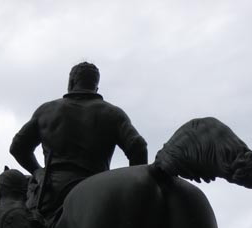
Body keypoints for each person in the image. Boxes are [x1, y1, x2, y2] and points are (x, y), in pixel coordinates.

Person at [10, 61, 148, 217]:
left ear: (71, 82)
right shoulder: (113, 113)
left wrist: (37, 171)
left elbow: (17, 147)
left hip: (53, 191)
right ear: (96, 87)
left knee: (27, 226)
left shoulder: (46, 111)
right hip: (98, 189)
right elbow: (139, 147)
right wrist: (134, 187)